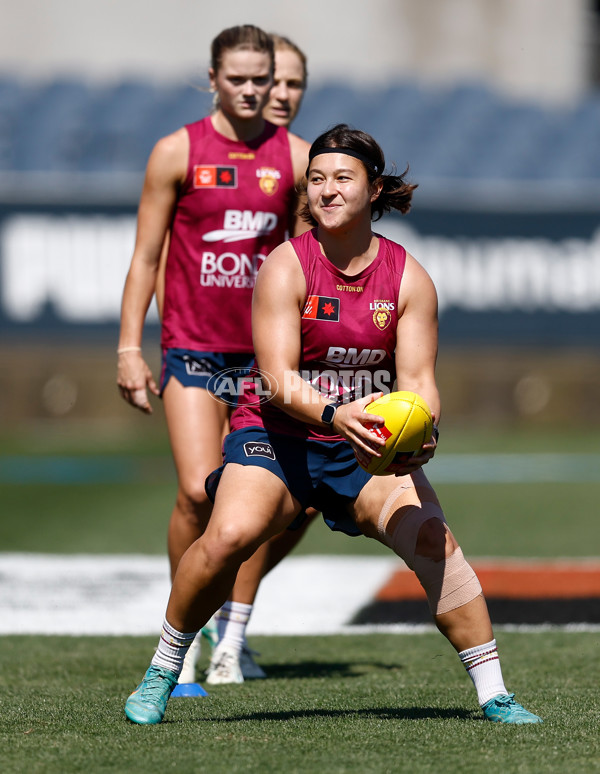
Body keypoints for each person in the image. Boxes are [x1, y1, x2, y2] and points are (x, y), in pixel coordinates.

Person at [124, 124, 543, 726]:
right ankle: (164, 669)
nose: (326, 189)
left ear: (375, 189)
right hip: (279, 435)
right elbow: (275, 376)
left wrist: (422, 430)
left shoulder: (409, 278)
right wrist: (335, 413)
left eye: (342, 178)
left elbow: (420, 380)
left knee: (434, 543)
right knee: (228, 538)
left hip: (363, 447)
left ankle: (495, 694)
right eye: (316, 179)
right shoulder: (284, 267)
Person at [116, 24, 310, 693]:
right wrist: (127, 348)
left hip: (266, 363)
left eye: (264, 78)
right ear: (213, 79)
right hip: (193, 351)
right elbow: (145, 258)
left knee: (250, 500)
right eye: (240, 78)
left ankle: (230, 633)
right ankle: (188, 633)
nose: (254, 90)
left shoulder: (297, 159)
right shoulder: (176, 152)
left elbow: (312, 263)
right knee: (198, 494)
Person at [202, 32, 315, 686]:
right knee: (224, 499)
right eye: (274, 82)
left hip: (280, 358)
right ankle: (213, 635)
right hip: (220, 350)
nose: (280, 95)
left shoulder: (307, 165)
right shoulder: (214, 153)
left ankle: (228, 622)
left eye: (294, 85)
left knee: (296, 505)